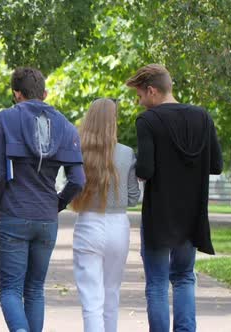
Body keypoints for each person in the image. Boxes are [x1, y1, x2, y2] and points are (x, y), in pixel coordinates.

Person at [0, 67, 85, 332]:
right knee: (35, 290)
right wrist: (56, 204)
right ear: (44, 93)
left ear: (16, 94)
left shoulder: (4, 120)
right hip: (46, 217)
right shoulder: (65, 125)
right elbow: (78, 179)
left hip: (14, 212)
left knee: (10, 289)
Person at [127, 64, 223, 332]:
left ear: (152, 90)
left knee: (157, 283)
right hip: (191, 214)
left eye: (140, 96)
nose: (140, 102)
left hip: (160, 213)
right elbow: (216, 165)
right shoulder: (202, 117)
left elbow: (146, 169)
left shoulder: (148, 121)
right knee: (183, 278)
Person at [71, 98, 140, 332]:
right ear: (114, 121)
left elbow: (72, 187)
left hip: (88, 222)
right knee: (111, 294)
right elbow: (133, 197)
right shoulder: (126, 153)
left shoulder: (78, 151)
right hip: (118, 225)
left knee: (91, 300)